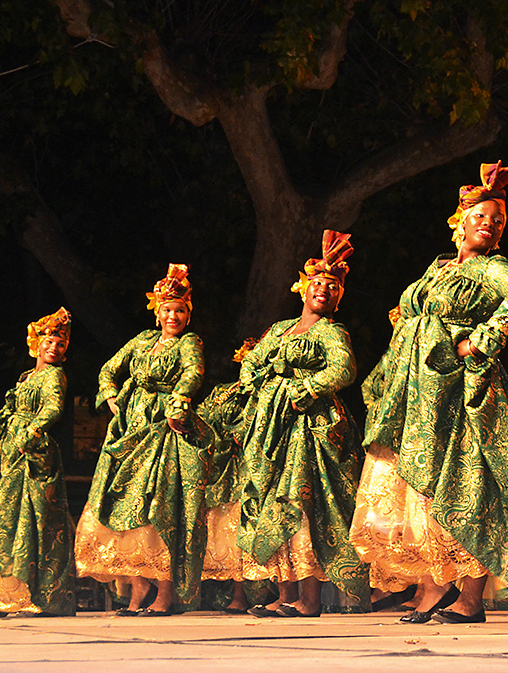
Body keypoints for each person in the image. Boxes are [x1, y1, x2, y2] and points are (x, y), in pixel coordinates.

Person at [351, 161, 508, 624]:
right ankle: (434, 589)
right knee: (424, 487)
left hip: (461, 386)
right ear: (459, 222)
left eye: (498, 222)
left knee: (468, 480)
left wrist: (481, 340)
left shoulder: (493, 269)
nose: (490, 226)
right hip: (419, 390)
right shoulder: (437, 270)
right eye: (481, 217)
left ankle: (471, 599)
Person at [238, 231, 369, 617]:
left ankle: (309, 599)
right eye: (318, 284)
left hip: (309, 428)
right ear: (302, 287)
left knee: (303, 505)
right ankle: (283, 593)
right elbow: (250, 362)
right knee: (273, 505)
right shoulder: (279, 329)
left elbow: (344, 369)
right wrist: (260, 384)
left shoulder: (331, 331)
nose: (324, 291)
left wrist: (306, 388)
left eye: (332, 287)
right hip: (273, 429)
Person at [75, 265, 209, 615]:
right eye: (167, 309)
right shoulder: (142, 341)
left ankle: (166, 595)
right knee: (128, 509)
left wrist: (177, 403)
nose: (173, 316)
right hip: (132, 428)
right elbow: (108, 368)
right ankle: (136, 593)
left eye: (180, 310)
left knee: (160, 505)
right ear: (157, 311)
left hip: (165, 427)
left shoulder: (189, 343)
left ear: (187, 313)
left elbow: (194, 373)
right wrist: (110, 396)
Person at [0, 308, 75, 616]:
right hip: (11, 452)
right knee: (8, 519)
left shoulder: (55, 376)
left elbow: (54, 409)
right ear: (37, 342)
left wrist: (28, 435)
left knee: (35, 520)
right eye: (50, 341)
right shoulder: (28, 376)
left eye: (61, 344)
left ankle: (37, 596)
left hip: (34, 454)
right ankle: (8, 593)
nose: (54, 348)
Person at [196, 338, 258, 614]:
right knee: (221, 531)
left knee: (244, 529)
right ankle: (216, 593)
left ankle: (243, 593)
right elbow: (204, 418)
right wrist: (219, 438)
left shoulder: (266, 393)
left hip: (251, 469)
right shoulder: (224, 393)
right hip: (222, 471)